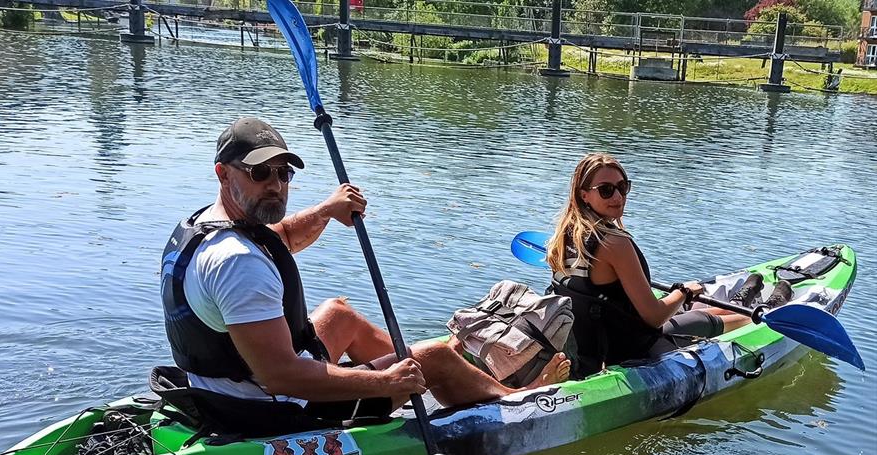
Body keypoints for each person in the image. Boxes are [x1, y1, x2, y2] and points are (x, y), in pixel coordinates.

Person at [160, 117, 570, 433]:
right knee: (434, 358)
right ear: (223, 173)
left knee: (339, 314)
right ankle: (515, 397)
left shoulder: (204, 227)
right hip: (273, 410)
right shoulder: (238, 263)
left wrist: (327, 210)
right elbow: (279, 375)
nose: (275, 185)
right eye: (259, 173)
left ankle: (446, 373)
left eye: (283, 174)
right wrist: (386, 382)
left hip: (222, 389)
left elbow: (279, 238)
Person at [544, 153, 792, 378]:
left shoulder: (563, 238)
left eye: (623, 187)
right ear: (583, 194)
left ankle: (741, 299)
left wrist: (676, 297)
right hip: (631, 347)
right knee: (701, 319)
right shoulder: (615, 242)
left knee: (696, 313)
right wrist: (682, 293)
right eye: (606, 190)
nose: (618, 197)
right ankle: (767, 310)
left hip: (597, 344)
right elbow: (653, 317)